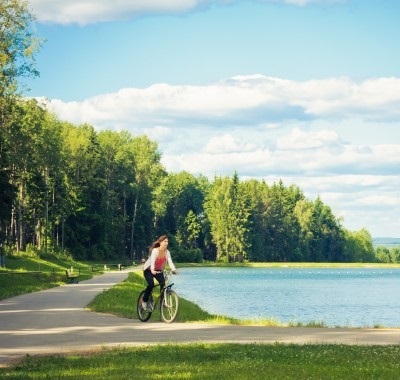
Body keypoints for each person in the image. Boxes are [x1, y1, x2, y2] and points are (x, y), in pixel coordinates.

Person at [142, 235, 178, 310]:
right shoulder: (155, 250)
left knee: (163, 285)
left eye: (167, 241)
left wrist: (173, 270)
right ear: (160, 242)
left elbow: (170, 262)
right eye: (165, 241)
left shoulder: (167, 252)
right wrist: (152, 270)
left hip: (158, 271)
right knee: (151, 284)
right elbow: (152, 261)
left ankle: (163, 302)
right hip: (148, 270)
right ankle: (144, 301)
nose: (166, 243)